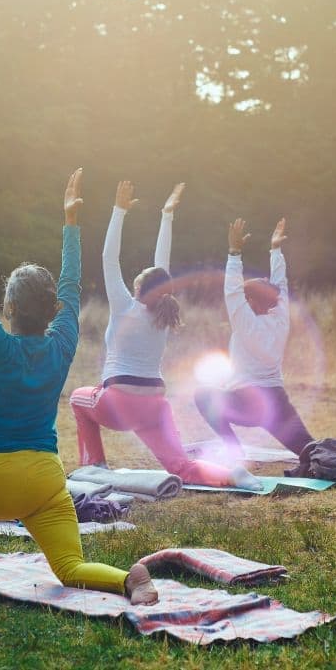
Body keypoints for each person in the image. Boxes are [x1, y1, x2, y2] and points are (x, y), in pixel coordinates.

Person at [0, 170, 157, 604]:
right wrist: (71, 224)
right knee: (69, 569)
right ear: (52, 308)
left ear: (10, 307)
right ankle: (128, 580)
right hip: (43, 482)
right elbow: (72, 289)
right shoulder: (61, 346)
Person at [70, 181, 261, 489]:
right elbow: (163, 265)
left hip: (118, 403)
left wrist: (119, 210)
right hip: (156, 405)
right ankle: (234, 475)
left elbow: (109, 258)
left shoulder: (125, 307)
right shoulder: (162, 314)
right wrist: (167, 215)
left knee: (78, 399)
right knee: (181, 466)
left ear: (137, 287)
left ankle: (95, 465)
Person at [194, 217, 315, 465]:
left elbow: (232, 291)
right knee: (312, 452)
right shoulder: (281, 319)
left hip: (245, 403)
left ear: (250, 302)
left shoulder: (245, 324)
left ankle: (233, 450)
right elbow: (280, 284)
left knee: (203, 395)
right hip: (276, 403)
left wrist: (234, 253)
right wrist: (275, 250)